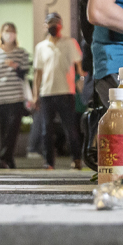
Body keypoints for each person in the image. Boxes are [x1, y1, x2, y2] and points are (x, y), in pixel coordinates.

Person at [32, 12, 84, 170]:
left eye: (56, 23)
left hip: (66, 91)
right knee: (46, 129)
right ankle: (49, 162)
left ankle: (76, 159)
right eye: (50, 23)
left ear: (61, 25)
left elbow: (79, 67)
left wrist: (83, 81)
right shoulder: (41, 47)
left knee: (70, 128)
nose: (53, 26)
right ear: (45, 26)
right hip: (47, 92)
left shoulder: (70, 43)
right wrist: (35, 95)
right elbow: (38, 73)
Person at [0, 22, 32, 168]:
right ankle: (8, 159)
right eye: (6, 31)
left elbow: (25, 74)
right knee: (2, 130)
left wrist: (15, 67)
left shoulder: (22, 53)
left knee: (13, 129)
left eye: (12, 31)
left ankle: (3, 158)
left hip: (16, 96)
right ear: (1, 34)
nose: (9, 34)